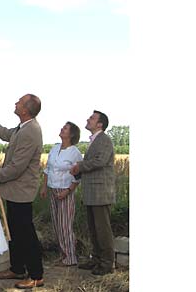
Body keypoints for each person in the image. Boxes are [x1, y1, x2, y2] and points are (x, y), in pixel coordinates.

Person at [0, 94, 44, 290]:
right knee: (13, 230)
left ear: (25, 110)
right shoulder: (22, 129)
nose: (15, 103)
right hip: (14, 191)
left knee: (25, 234)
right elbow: (7, 134)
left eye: (19, 102)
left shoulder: (31, 130)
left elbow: (18, 166)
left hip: (21, 191)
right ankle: (17, 267)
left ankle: (36, 275)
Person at [70, 110, 116, 276]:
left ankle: (107, 263)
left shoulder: (104, 139)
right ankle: (96, 258)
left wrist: (80, 166)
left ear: (100, 124)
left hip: (100, 192)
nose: (88, 119)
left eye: (92, 118)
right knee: (94, 228)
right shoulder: (94, 140)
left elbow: (100, 161)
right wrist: (78, 170)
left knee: (102, 229)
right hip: (92, 192)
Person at [40, 122, 83, 267]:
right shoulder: (55, 148)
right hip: (53, 189)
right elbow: (48, 169)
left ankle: (70, 257)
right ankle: (62, 255)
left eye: (65, 128)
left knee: (65, 225)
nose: (61, 129)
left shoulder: (75, 152)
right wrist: (44, 187)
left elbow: (78, 176)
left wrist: (68, 190)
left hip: (65, 191)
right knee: (57, 225)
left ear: (71, 134)